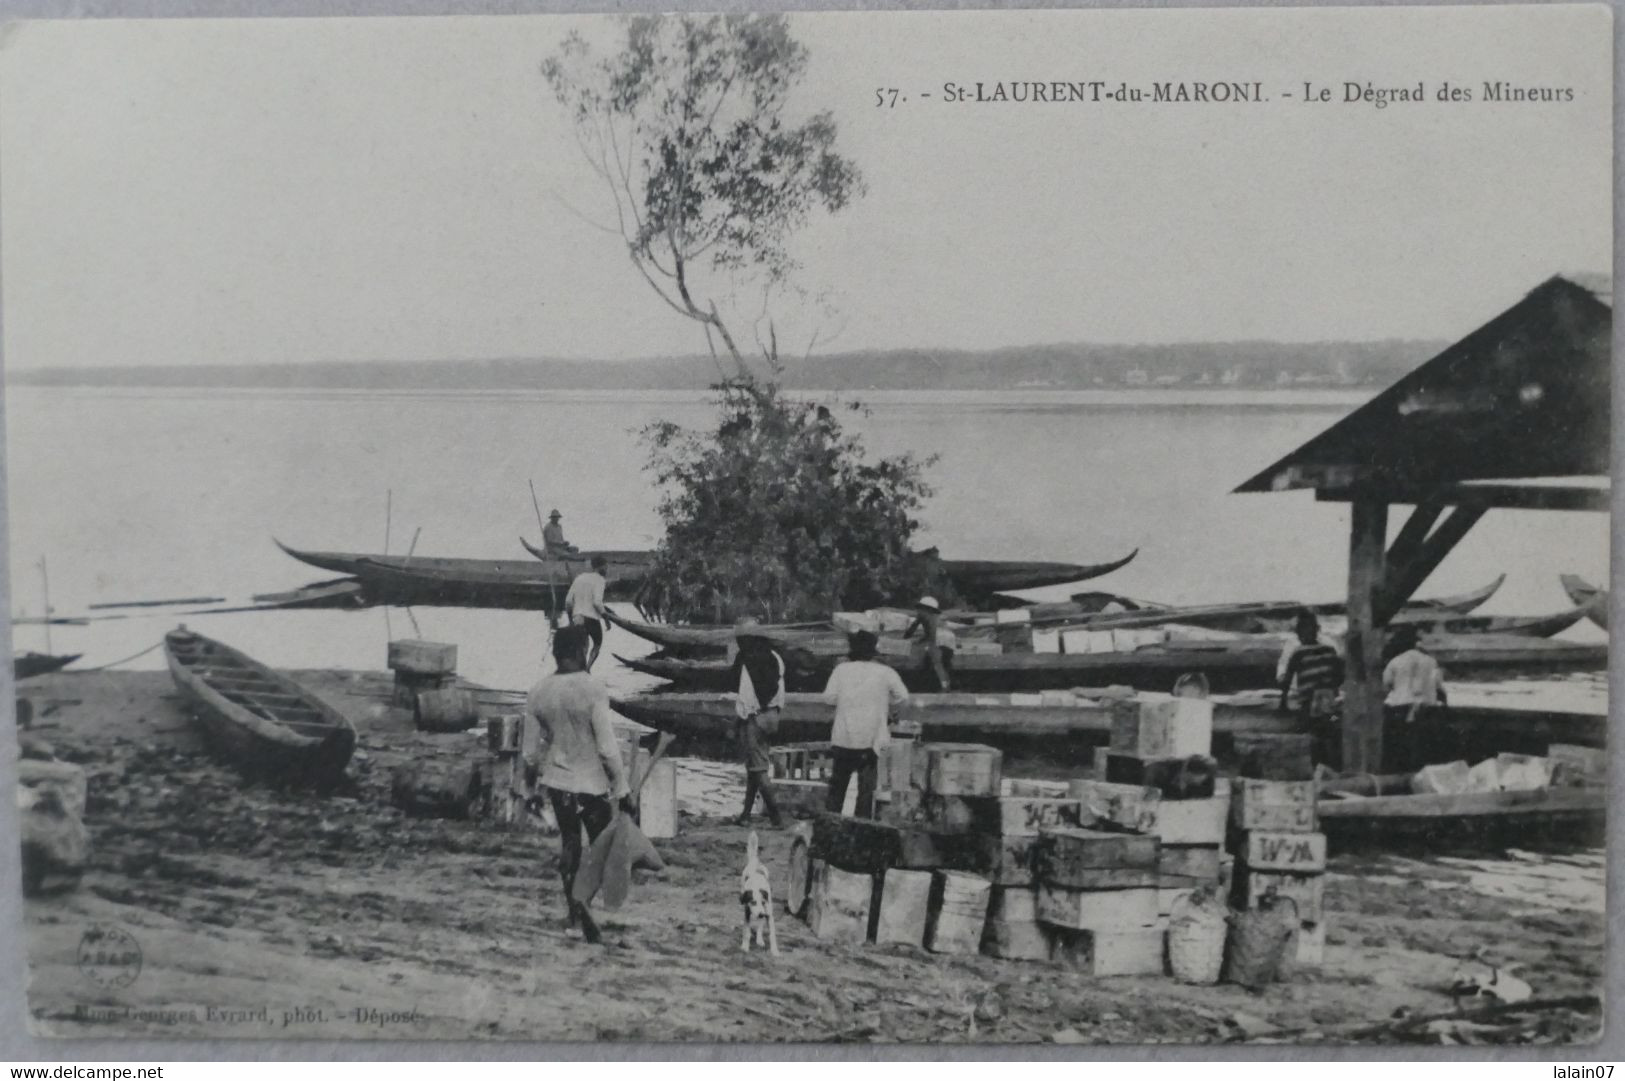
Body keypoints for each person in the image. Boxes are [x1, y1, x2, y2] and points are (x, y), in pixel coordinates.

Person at [524, 624, 630, 944]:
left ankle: (574, 909)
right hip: (591, 785)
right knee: (602, 847)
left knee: (570, 842)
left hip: (558, 782)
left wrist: (530, 790)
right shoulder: (593, 688)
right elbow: (607, 748)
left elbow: (530, 753)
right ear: (581, 651)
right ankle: (583, 902)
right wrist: (622, 787)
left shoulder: (538, 692)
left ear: (558, 653)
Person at [821, 630, 909, 819]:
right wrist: (886, 705)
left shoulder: (841, 670)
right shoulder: (885, 672)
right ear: (874, 649)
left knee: (837, 790)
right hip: (871, 741)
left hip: (843, 738)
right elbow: (903, 696)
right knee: (866, 792)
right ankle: (860, 832)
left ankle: (829, 831)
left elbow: (829, 698)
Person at [731, 617, 786, 828]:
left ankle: (776, 817)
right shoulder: (775, 656)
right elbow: (777, 688)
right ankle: (745, 814)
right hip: (774, 716)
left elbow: (745, 697)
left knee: (758, 770)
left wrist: (739, 720)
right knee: (754, 767)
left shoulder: (747, 660)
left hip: (756, 716)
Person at [1277, 611, 1345, 767]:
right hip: (1329, 704)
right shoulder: (1330, 650)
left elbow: (1287, 680)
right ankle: (1333, 767)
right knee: (1332, 729)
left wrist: (1283, 703)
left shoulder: (1298, 653)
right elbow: (1340, 676)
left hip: (1310, 705)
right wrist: (1330, 687)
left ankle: (1319, 768)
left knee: (1314, 735)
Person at [1382, 625, 1447, 772]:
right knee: (1423, 748)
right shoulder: (1431, 661)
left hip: (1400, 708)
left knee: (1399, 748)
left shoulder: (1395, 661)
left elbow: (1386, 686)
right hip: (1426, 708)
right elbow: (1439, 686)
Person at [564, 556, 611, 670]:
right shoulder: (600, 580)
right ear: (601, 567)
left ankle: (579, 670)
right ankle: (587, 669)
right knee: (597, 644)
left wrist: (570, 620)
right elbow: (597, 602)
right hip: (591, 618)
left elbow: (568, 601)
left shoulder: (579, 578)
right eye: (606, 567)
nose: (607, 569)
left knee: (582, 647)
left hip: (577, 617)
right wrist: (606, 619)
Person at [903, 596, 956, 692]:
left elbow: (930, 633)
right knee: (942, 665)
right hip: (947, 642)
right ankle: (945, 686)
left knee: (937, 665)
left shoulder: (927, 617)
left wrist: (918, 641)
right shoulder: (934, 618)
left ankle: (943, 688)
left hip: (940, 641)